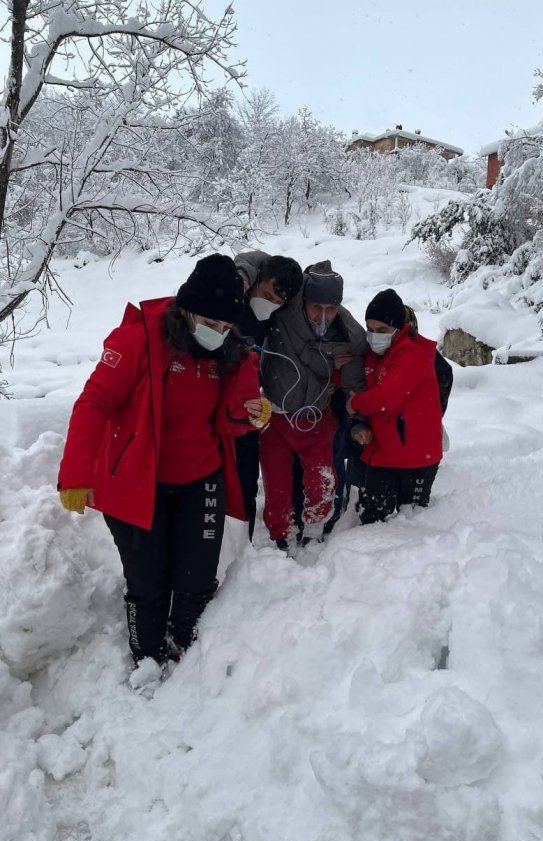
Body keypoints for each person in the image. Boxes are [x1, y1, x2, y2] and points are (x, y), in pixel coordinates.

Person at [57, 254, 269, 669]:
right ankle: (147, 659)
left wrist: (254, 413)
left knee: (196, 579)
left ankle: (187, 653)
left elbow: (231, 420)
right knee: (148, 584)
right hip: (139, 480)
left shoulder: (229, 354)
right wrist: (76, 475)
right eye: (210, 323)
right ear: (186, 309)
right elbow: (94, 402)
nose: (218, 333)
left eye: (226, 327)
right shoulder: (139, 340)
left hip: (200, 478)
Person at [259, 260, 367, 552]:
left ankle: (315, 530)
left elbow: (355, 379)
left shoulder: (347, 334)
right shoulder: (283, 310)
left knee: (321, 478)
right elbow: (261, 266)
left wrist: (355, 410)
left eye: (330, 309)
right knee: (276, 483)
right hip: (275, 417)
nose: (323, 316)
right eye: (315, 308)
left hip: (315, 417)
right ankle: (281, 534)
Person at [345, 288, 443, 525]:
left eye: (382, 330)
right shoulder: (374, 354)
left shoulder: (413, 354)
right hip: (382, 453)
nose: (374, 336)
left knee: (412, 523)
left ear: (399, 328)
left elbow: (386, 397)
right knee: (372, 520)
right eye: (369, 329)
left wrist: (355, 404)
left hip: (415, 458)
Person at [233, 250, 303, 540]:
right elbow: (249, 261)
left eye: (278, 301)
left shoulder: (279, 314)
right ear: (258, 279)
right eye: (267, 294)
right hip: (212, 411)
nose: (270, 304)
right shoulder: (232, 298)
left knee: (246, 483)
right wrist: (243, 274)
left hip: (250, 410)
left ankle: (242, 548)